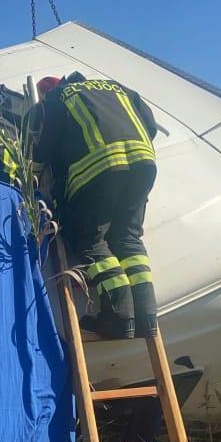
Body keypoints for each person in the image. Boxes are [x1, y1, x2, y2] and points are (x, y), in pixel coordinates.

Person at [34, 72, 159, 339]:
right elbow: (151, 125)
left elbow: (49, 138)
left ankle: (119, 317)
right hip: (144, 164)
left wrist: (34, 170)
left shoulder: (59, 96)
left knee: (90, 240)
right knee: (127, 237)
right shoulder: (117, 86)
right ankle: (147, 317)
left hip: (98, 168)